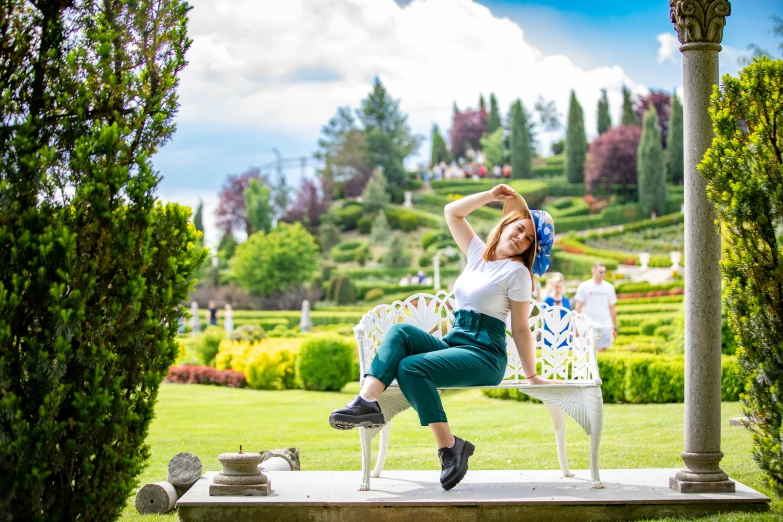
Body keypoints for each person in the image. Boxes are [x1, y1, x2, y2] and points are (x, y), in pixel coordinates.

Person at [329, 185, 557, 491]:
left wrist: (532, 375)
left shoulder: (517, 274)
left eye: (529, 239)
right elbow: (452, 212)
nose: (521, 239)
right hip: (456, 342)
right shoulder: (478, 255)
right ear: (504, 226)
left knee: (411, 367)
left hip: (485, 354)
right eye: (519, 229)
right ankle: (367, 401)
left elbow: (519, 328)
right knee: (401, 332)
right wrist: (491, 195)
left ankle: (449, 448)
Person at [574, 263, 617, 352]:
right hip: (588, 325)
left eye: (605, 272)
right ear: (593, 272)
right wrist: (577, 326)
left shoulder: (609, 287)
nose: (603, 274)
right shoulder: (584, 286)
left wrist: (614, 327)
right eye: (600, 272)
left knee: (601, 353)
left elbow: (612, 308)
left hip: (605, 325)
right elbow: (578, 306)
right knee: (588, 353)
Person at [542, 273, 571, 349]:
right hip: (550, 331)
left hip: (563, 331)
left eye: (560, 287)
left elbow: (569, 316)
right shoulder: (547, 299)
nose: (558, 289)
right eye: (556, 287)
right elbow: (543, 315)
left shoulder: (565, 300)